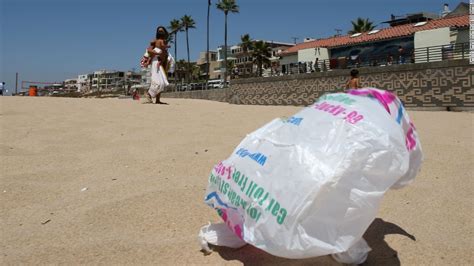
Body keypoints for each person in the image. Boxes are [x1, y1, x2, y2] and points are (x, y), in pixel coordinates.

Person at [143, 26, 171, 104]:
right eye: (159, 31)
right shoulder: (155, 41)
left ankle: (157, 100)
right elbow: (149, 50)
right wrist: (157, 53)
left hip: (163, 61)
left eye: (162, 31)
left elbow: (164, 51)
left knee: (162, 81)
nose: (160, 32)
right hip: (156, 61)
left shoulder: (164, 41)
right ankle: (149, 94)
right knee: (157, 80)